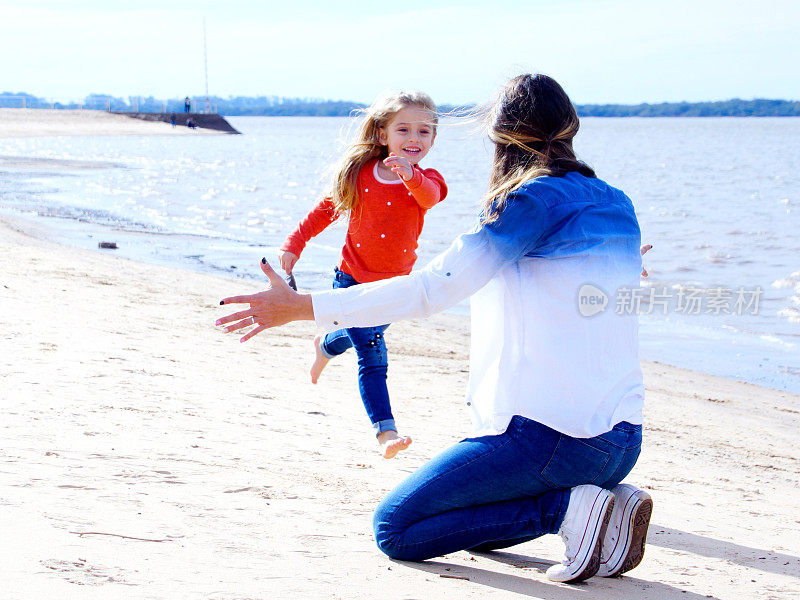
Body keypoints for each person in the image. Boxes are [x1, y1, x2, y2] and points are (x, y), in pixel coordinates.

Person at [216, 74, 653, 584]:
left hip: (550, 441)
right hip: (621, 443)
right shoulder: (616, 202)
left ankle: (566, 511)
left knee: (397, 529)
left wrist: (301, 306)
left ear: (501, 135)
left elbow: (428, 291)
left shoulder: (527, 204)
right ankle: (603, 508)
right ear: (569, 128)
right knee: (472, 528)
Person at [276, 90, 447, 459]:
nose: (414, 139)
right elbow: (325, 210)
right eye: (404, 130)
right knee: (372, 352)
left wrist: (411, 176)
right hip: (351, 280)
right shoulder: (360, 174)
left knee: (355, 338)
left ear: (433, 139)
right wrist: (295, 243)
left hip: (395, 287)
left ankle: (324, 346)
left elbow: (429, 197)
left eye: (424, 132)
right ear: (383, 134)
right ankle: (386, 433)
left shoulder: (428, 178)